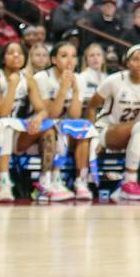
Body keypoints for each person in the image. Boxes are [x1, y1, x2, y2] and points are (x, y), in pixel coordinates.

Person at [0, 41, 50, 203]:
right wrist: (12, 86)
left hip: (8, 127)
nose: (16, 56)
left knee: (48, 128)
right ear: (2, 58)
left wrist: (38, 117)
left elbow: (42, 109)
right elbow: (2, 112)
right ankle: (4, 182)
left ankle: (47, 182)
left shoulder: (28, 79)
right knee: (5, 124)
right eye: (11, 52)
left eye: (20, 53)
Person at [87, 43, 140, 201]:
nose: (139, 64)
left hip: (136, 132)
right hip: (107, 131)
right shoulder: (113, 81)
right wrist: (92, 136)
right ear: (127, 62)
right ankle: (128, 182)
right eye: (135, 59)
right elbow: (91, 106)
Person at [32, 40, 94, 201]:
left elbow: (74, 116)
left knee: (83, 132)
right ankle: (49, 180)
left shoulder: (80, 79)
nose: (70, 61)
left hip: (65, 128)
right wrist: (63, 89)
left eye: (73, 56)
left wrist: (75, 91)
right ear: (53, 60)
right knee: (53, 127)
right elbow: (51, 114)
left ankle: (81, 181)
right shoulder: (42, 77)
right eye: (64, 56)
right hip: (39, 128)